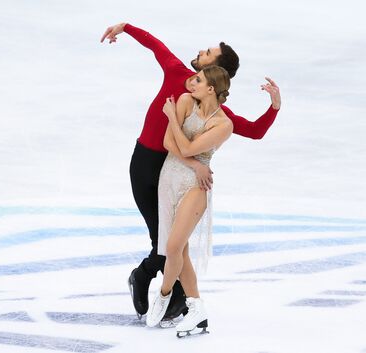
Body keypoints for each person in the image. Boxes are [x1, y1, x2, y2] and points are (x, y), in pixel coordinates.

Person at [100, 22, 281, 322]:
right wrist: (125, 27)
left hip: (173, 172)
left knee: (172, 242)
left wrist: (274, 108)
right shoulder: (177, 74)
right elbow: (156, 45)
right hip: (146, 165)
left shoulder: (215, 111)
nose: (201, 51)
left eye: (209, 52)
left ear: (216, 71)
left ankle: (169, 293)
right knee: (164, 241)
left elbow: (252, 130)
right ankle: (148, 281)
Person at [145, 66, 232, 337]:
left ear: (211, 89)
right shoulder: (185, 101)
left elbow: (185, 147)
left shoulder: (223, 125)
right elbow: (169, 144)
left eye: (199, 80)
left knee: (172, 247)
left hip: (196, 186)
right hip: (169, 178)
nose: (191, 82)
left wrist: (172, 118)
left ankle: (163, 293)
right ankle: (197, 310)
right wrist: (195, 164)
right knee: (179, 251)